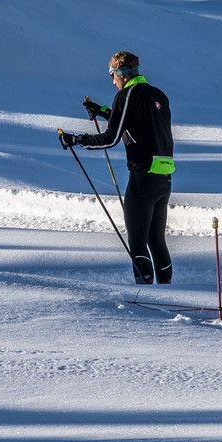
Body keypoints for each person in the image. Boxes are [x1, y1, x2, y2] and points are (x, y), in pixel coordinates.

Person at [60, 51, 174, 285]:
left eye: (112, 75)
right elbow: (135, 125)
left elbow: (111, 138)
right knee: (156, 239)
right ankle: (168, 292)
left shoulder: (126, 95)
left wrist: (77, 140)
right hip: (164, 176)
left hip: (143, 176)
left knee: (137, 239)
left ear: (121, 74)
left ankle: (145, 291)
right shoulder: (158, 94)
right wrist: (102, 112)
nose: (112, 81)